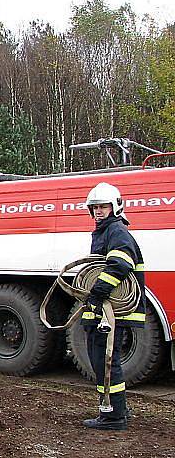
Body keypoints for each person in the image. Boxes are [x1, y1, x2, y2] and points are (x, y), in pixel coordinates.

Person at [81, 182, 145, 431]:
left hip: (111, 311)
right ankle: (115, 409)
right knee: (102, 360)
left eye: (103, 206)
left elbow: (119, 265)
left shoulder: (116, 231)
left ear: (115, 207)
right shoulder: (105, 231)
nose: (98, 211)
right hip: (103, 311)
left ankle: (113, 416)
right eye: (94, 207)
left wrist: (96, 294)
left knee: (105, 361)